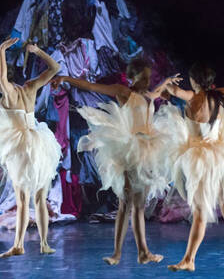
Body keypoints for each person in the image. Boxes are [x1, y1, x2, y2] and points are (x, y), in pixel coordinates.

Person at [52, 58, 179, 265]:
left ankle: (141, 252)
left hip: (148, 153)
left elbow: (156, 93)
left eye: (148, 76)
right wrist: (66, 78)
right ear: (133, 76)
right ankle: (121, 253)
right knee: (125, 205)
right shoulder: (123, 92)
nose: (146, 80)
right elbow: (92, 86)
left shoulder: (147, 95)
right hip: (131, 151)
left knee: (136, 207)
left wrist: (167, 82)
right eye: (143, 76)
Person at [0, 37, 61, 258]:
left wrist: (1, 49)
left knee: (22, 199)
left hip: (21, 146)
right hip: (39, 141)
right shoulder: (30, 86)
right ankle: (44, 243)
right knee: (39, 197)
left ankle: (19, 244)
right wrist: (37, 51)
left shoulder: (7, 94)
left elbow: (1, 77)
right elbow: (55, 67)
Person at [163, 62, 224, 271]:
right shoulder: (220, 95)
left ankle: (189, 260)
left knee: (199, 214)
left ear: (194, 81)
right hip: (223, 157)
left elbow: (171, 90)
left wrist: (168, 82)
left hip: (200, 160)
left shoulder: (192, 98)